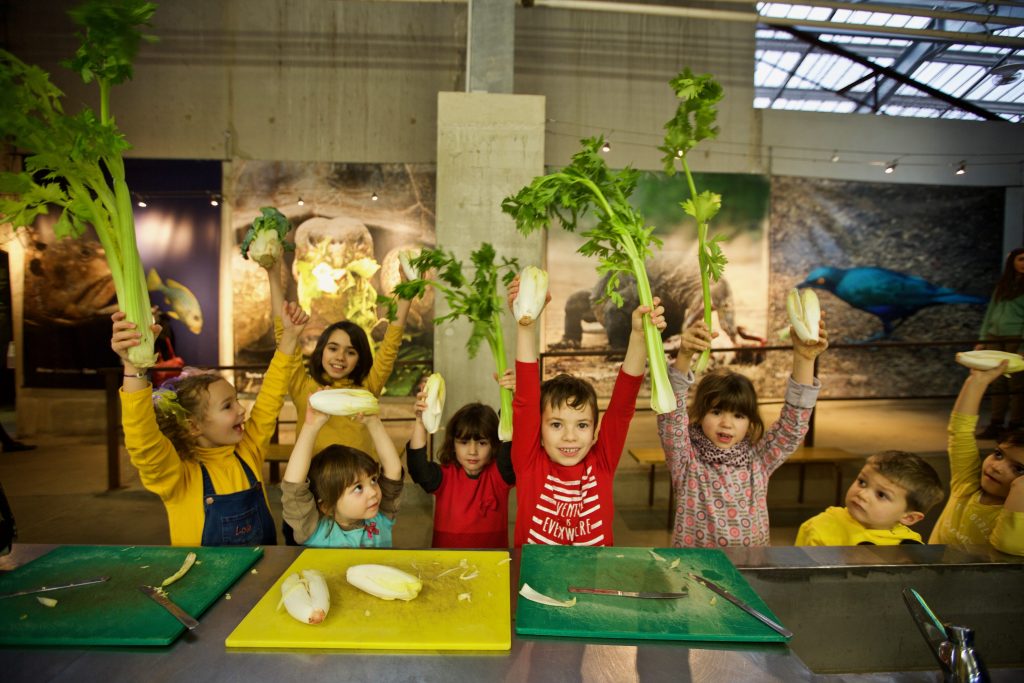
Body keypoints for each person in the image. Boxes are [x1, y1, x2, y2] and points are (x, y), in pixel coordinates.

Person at [113, 261, 309, 546]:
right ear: (193, 425)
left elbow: (270, 398)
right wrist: (134, 367)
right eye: (227, 406)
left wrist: (290, 338)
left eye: (236, 401)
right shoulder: (177, 475)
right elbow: (143, 440)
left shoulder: (248, 450)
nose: (242, 409)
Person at [509, 274, 665, 547]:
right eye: (556, 425)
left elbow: (622, 407)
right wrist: (526, 323)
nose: (570, 437)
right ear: (539, 431)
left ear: (594, 432)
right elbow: (525, 399)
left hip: (594, 588)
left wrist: (638, 336)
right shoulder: (529, 463)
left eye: (581, 425)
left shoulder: (601, 463)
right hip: (534, 588)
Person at [658, 314, 829, 548]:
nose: (727, 424)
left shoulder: (758, 461)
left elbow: (793, 425)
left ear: (750, 421)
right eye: (717, 412)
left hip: (750, 569)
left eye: (738, 416)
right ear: (700, 413)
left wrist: (804, 358)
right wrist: (685, 356)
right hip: (694, 574)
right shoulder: (687, 460)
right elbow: (670, 416)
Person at [272, 266, 413, 459]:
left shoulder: (367, 388)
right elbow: (283, 335)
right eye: (333, 348)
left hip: (360, 485)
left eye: (351, 352)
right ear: (321, 350)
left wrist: (407, 290)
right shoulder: (304, 388)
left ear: (360, 359)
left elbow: (390, 346)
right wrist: (273, 273)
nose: (340, 357)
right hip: (313, 485)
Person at [405, 370, 516, 549]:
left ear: (494, 444)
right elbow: (417, 467)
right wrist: (420, 420)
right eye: (464, 442)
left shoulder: (499, 475)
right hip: (447, 565)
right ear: (453, 444)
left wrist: (510, 394)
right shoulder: (445, 477)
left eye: (482, 443)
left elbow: (510, 435)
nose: (472, 451)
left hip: (492, 567)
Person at [928, 361, 1024, 555]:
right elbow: (960, 432)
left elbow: (1009, 544)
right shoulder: (967, 485)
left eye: (1018, 469)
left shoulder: (1014, 519)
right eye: (998, 455)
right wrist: (977, 381)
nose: (997, 467)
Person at [280, 401, 403, 548]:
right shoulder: (314, 531)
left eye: (373, 480)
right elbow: (293, 489)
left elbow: (394, 472)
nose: (373, 492)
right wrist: (310, 427)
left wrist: (373, 423)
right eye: (358, 488)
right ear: (326, 506)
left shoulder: (380, 517)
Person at [795, 451, 943, 546]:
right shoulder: (820, 527)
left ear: (909, 518)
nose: (862, 494)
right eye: (862, 482)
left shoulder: (911, 545)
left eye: (881, 495)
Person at [976, 247, 1024, 440]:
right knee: (997, 382)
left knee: (1017, 384)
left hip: (1016, 339)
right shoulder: (1003, 285)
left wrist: (1023, 348)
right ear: (1012, 261)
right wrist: (983, 340)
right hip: (995, 336)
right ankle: (996, 423)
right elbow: (990, 314)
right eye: (1021, 259)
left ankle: (1016, 424)